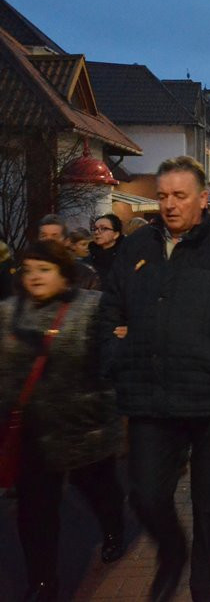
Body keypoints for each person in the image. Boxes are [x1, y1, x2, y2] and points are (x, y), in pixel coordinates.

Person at [98, 156, 210, 602]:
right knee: (145, 495)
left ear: (202, 198)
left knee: (209, 504)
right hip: (150, 398)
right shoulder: (136, 251)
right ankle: (173, 552)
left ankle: (205, 585)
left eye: (180, 196)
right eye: (162, 196)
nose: (170, 205)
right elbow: (109, 312)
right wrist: (120, 351)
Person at [0, 240, 125, 601]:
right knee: (35, 512)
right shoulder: (8, 314)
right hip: (34, 433)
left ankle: (113, 527)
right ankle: (43, 581)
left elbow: (110, 360)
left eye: (45, 269)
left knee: (99, 490)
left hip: (83, 426)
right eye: (29, 269)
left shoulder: (90, 309)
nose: (35, 277)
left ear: (64, 274)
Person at [37, 214, 100, 290]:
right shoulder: (26, 273)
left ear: (66, 241)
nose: (49, 241)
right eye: (44, 236)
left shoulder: (86, 275)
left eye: (55, 236)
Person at [89, 213, 124, 286]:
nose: (96, 232)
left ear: (116, 234)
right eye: (94, 229)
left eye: (103, 228)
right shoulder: (88, 255)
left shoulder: (125, 257)